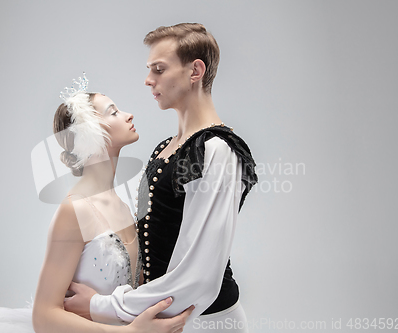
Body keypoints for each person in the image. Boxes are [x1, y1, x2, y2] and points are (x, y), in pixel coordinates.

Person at [0, 77, 193, 333]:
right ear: (91, 133)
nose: (128, 115)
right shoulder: (74, 210)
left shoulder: (122, 205)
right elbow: (43, 317)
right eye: (113, 112)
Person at [65, 23, 258, 333]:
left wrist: (101, 305)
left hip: (202, 322)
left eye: (158, 69)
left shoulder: (216, 150)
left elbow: (199, 277)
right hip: (160, 318)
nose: (148, 80)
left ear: (195, 70)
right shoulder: (167, 147)